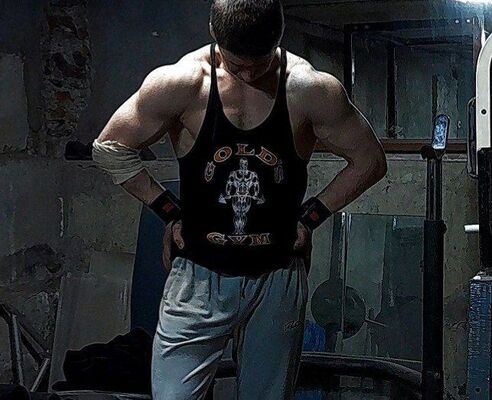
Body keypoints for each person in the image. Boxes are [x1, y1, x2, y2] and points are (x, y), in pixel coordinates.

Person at [92, 1, 387, 399]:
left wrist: (310, 218)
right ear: (215, 34)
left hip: (276, 276)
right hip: (198, 275)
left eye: (259, 63)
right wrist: (170, 211)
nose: (248, 74)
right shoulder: (181, 83)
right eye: (237, 64)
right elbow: (109, 147)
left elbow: (370, 161)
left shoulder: (310, 89)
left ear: (278, 38)